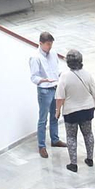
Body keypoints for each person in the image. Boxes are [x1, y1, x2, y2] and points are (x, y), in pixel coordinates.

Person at [54, 48, 95, 172]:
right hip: (87, 109)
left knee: (71, 137)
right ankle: (90, 159)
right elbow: (94, 92)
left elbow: (60, 97)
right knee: (88, 133)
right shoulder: (88, 74)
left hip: (71, 112)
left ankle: (73, 164)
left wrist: (57, 111)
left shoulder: (64, 76)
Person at [28, 30, 64, 159]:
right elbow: (33, 77)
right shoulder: (35, 57)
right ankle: (41, 146)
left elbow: (56, 68)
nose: (50, 47)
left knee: (55, 115)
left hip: (55, 87)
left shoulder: (53, 53)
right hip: (44, 90)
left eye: (51, 44)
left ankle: (55, 139)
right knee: (43, 119)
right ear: (41, 43)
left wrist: (61, 75)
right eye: (48, 44)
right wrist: (44, 80)